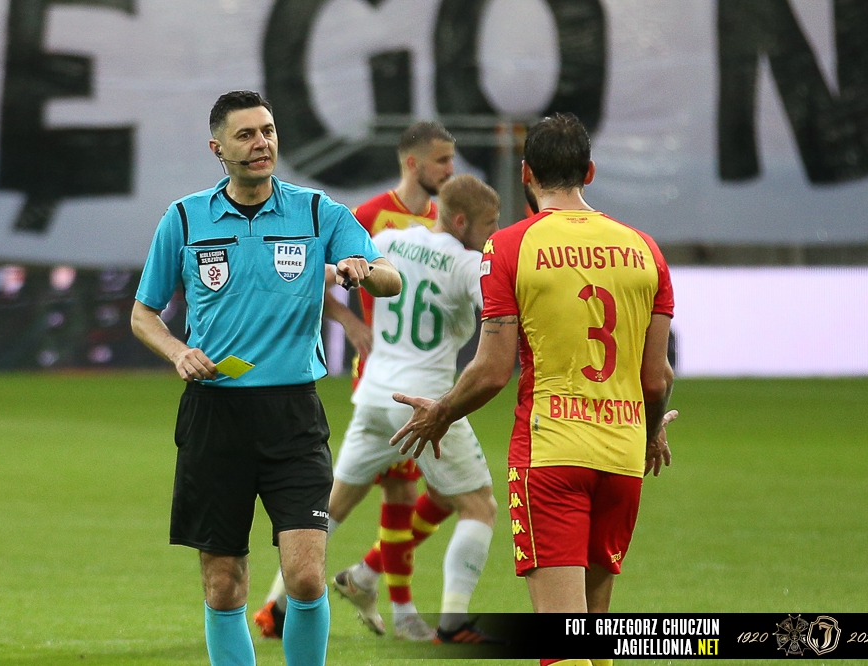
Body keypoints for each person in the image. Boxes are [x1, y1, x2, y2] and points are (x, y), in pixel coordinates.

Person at [390, 113, 676, 665]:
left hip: (552, 453)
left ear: (525, 173)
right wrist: (648, 433)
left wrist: (442, 412)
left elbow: (492, 370)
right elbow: (655, 378)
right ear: (589, 171)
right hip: (622, 456)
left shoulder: (510, 246)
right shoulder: (645, 250)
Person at [130, 90, 401, 666]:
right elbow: (143, 314)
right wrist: (178, 352)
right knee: (223, 584)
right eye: (246, 134)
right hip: (214, 416)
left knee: (305, 577)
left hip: (292, 418)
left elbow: (390, 279)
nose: (262, 143)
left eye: (269, 131)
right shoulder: (184, 218)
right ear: (217, 149)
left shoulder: (315, 211)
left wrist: (363, 269)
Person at [254, 121, 458, 640]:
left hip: (420, 378)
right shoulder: (370, 214)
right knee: (393, 494)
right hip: (383, 376)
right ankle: (384, 604)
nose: (449, 170)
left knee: (395, 494)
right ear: (412, 162)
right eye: (441, 160)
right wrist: (348, 320)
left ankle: (297, 601)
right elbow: (305, 271)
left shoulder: (441, 220)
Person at [329, 174, 503, 643]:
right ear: (462, 221)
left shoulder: (390, 240)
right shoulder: (470, 264)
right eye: (490, 223)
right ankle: (454, 622)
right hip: (426, 403)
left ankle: (296, 600)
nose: (494, 233)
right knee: (479, 505)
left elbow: (335, 274)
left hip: (374, 395)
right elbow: (503, 316)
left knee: (331, 508)